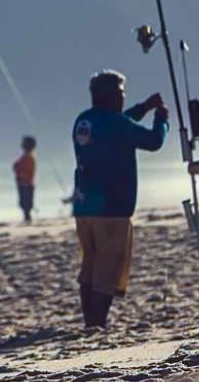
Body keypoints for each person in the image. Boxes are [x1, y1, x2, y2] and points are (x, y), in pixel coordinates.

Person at [71, 70, 168, 330]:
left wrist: (144, 107)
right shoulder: (117, 125)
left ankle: (90, 322)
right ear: (111, 96)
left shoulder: (84, 121)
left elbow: (119, 123)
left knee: (90, 264)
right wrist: (161, 120)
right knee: (107, 267)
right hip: (111, 209)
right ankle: (96, 323)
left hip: (83, 207)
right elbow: (153, 141)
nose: (124, 98)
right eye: (121, 93)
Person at [12, 135, 37, 224]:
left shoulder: (29, 157)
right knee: (23, 202)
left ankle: (27, 218)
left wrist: (18, 170)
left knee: (26, 203)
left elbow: (21, 168)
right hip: (24, 182)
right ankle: (26, 218)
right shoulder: (27, 156)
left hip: (26, 183)